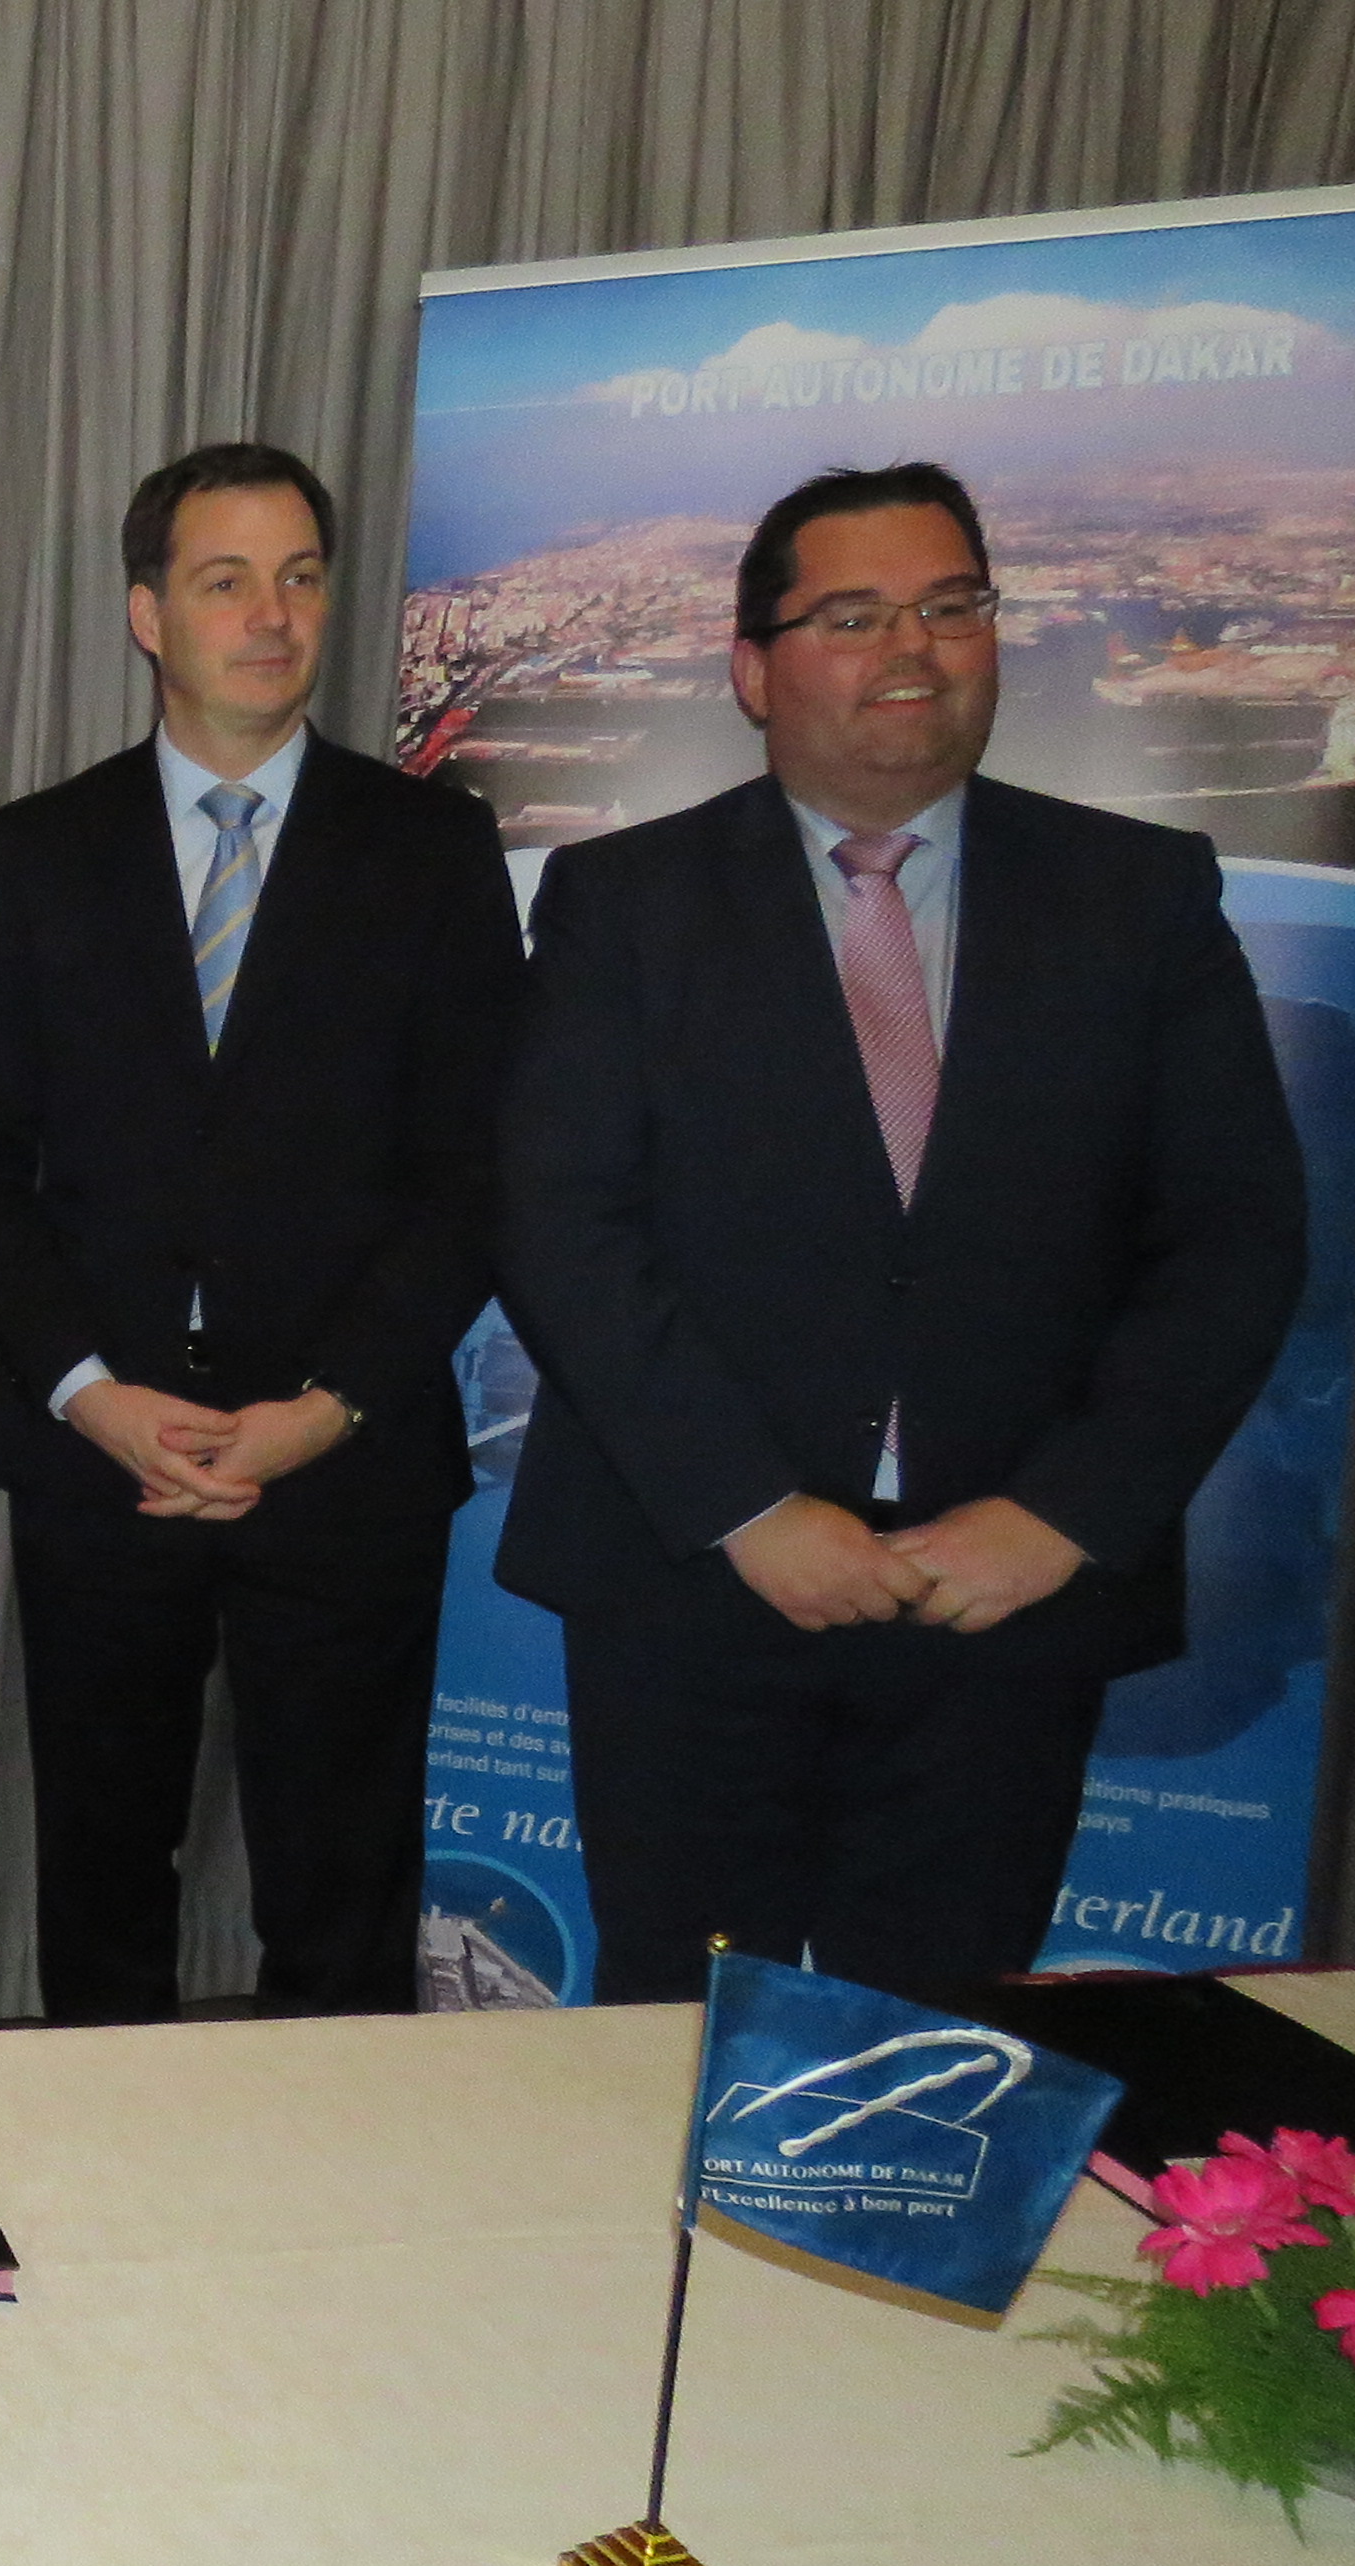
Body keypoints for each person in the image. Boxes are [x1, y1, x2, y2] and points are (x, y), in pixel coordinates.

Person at [496, 460, 1306, 2003]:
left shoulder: (1138, 897)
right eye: (854, 616)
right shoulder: (622, 903)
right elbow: (560, 1224)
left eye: (952, 608)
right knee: (672, 2032)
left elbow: (1234, 1239)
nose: (912, 653)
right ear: (754, 668)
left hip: (1002, 1604)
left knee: (937, 2070)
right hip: (696, 1595)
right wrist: (751, 1510)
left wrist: (1062, 1516)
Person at [0, 444, 522, 2022]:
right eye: (224, 581)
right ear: (146, 614)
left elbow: (472, 1175)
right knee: (103, 1889)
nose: (271, 617)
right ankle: (107, 2230)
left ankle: (327, 2238)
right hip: (99, 1455)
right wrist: (88, 1391)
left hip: (342, 1462)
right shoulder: (37, 851)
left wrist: (322, 1411)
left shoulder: (430, 853)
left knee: (339, 1903)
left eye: (300, 577)